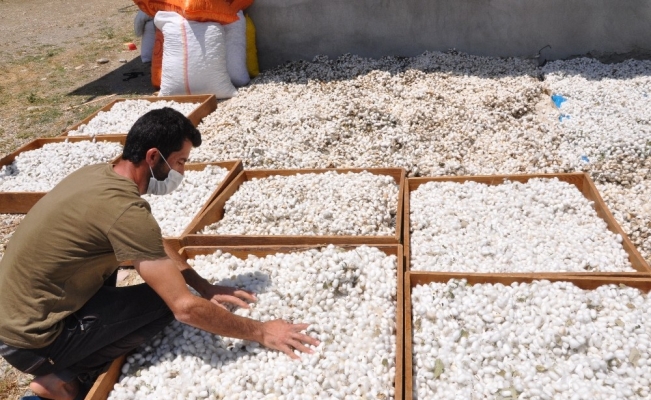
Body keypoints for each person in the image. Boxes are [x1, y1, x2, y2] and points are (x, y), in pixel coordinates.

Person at [0, 108, 319, 400]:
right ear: (153, 157)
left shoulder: (100, 175)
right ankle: (63, 377)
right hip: (33, 341)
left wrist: (202, 285)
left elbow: (149, 239)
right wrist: (261, 331)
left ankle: (66, 362)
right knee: (162, 303)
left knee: (131, 273)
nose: (182, 171)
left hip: (17, 315)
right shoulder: (124, 210)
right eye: (180, 162)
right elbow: (184, 309)